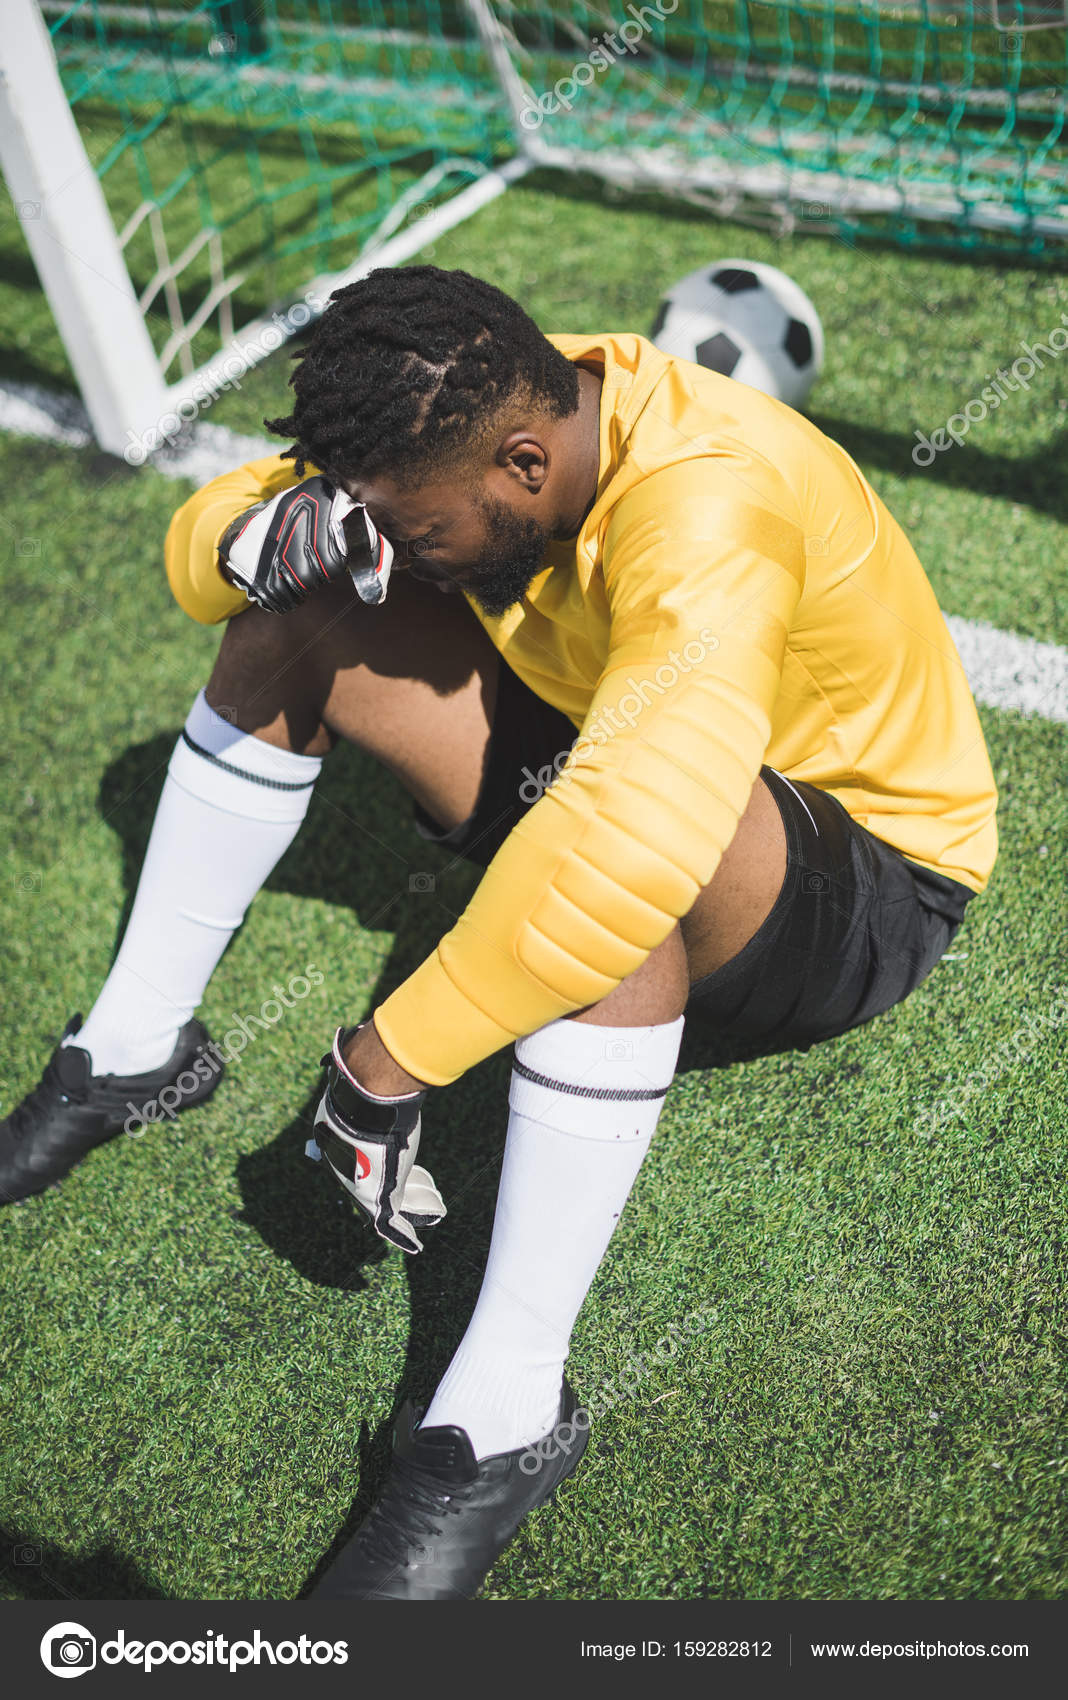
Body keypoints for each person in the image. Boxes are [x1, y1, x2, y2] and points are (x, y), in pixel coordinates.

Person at [0, 265, 998, 1601]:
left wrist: (387, 1060)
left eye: (416, 533)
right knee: (297, 612)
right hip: (606, 734)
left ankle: (500, 1421)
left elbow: (634, 838)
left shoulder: (713, 507)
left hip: (859, 866)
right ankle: (132, 1049)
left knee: (616, 886)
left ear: (529, 464)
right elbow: (235, 537)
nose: (400, 554)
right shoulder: (497, 408)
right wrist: (251, 541)